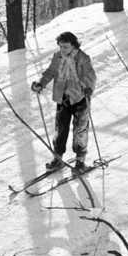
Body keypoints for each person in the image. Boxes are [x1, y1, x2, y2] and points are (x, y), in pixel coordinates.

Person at [30, 31, 97, 173]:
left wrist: (87, 87)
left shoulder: (83, 58)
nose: (62, 50)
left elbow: (90, 75)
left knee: (80, 130)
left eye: (65, 47)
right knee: (60, 129)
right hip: (63, 98)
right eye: (60, 46)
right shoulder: (58, 57)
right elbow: (50, 72)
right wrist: (41, 84)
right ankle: (58, 158)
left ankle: (80, 161)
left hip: (80, 98)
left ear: (74, 46)